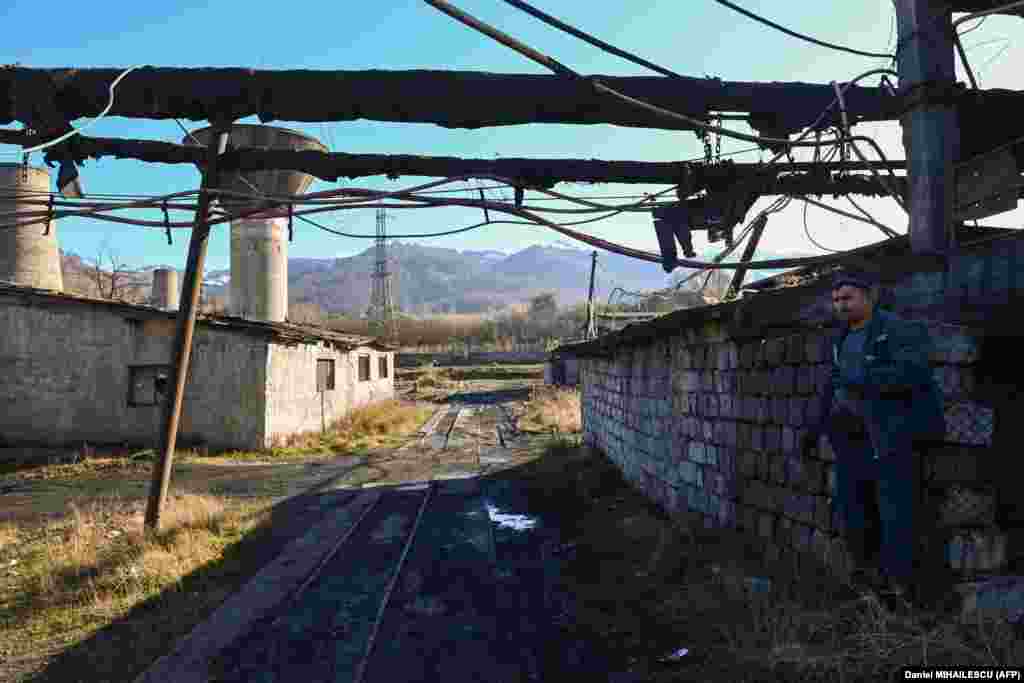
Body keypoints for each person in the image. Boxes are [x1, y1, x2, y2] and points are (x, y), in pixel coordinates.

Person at [801, 268, 946, 605]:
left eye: (847, 297)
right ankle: (870, 585)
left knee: (896, 515)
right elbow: (832, 386)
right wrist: (813, 429)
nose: (841, 305)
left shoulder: (896, 330)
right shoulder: (841, 337)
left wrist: (861, 376)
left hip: (891, 439)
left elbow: (915, 372)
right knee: (855, 513)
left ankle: (904, 592)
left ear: (869, 296)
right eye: (836, 300)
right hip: (852, 443)